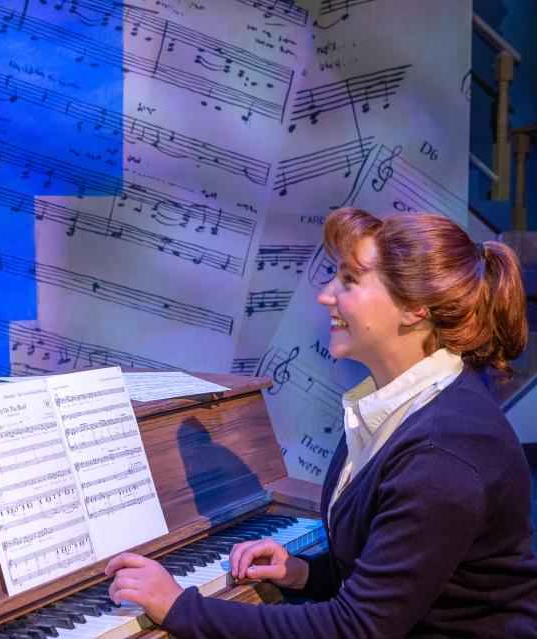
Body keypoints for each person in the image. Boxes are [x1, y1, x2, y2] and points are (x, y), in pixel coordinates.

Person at [106, 207, 537, 637]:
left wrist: (181, 607)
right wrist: (303, 573)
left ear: (414, 309)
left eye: (349, 280)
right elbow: (396, 567)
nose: (326, 294)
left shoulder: (444, 449)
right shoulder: (396, 403)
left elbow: (355, 629)